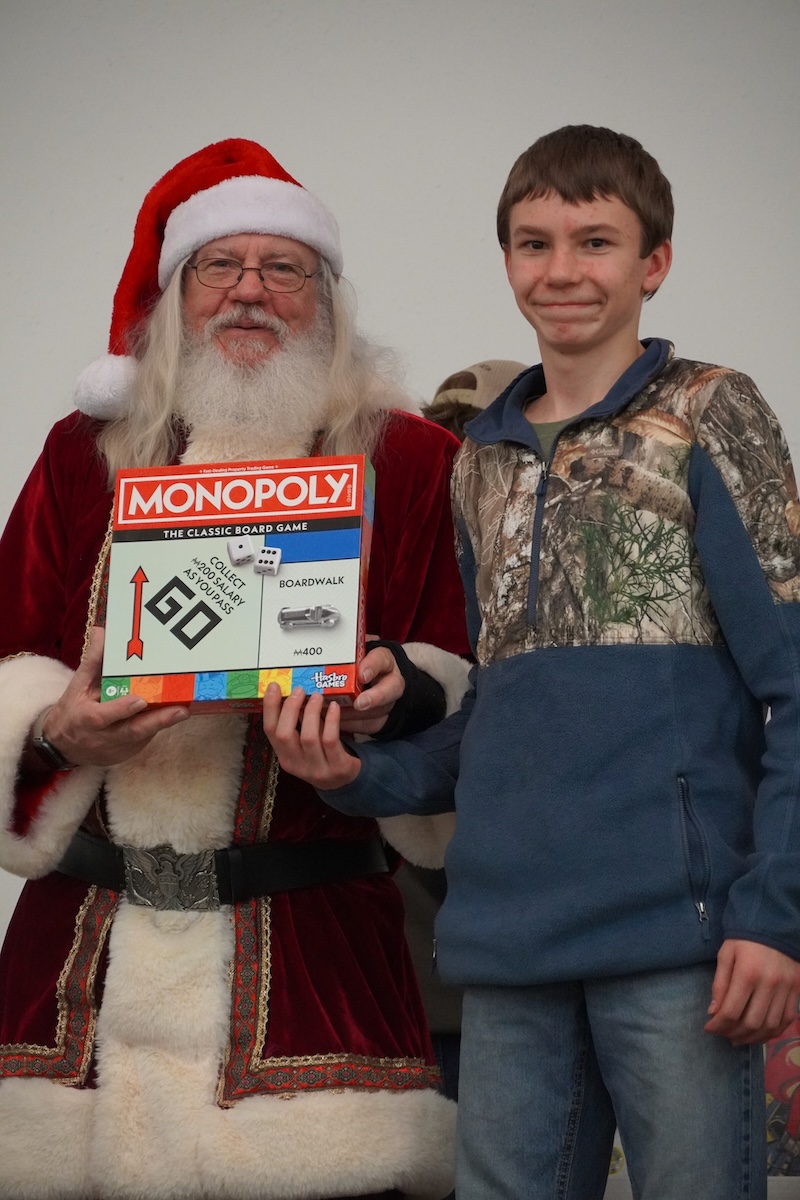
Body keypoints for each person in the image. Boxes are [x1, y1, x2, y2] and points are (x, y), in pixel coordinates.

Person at [262, 125, 800, 1200]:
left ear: (653, 262)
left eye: (595, 242)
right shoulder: (478, 463)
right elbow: (499, 711)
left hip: (679, 938)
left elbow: (791, 685)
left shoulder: (711, 411)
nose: (561, 271)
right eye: (534, 242)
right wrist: (358, 774)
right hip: (506, 940)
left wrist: (773, 915)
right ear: (506, 259)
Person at [0, 138, 471, 1200]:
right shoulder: (84, 454)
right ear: (177, 295)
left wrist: (396, 697)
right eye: (220, 265)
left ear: (327, 299)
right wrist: (55, 729)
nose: (249, 291)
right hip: (78, 983)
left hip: (313, 981)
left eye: (282, 268)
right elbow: (8, 651)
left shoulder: (411, 464)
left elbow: (473, 687)